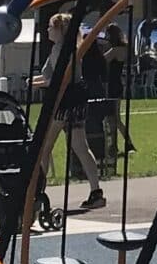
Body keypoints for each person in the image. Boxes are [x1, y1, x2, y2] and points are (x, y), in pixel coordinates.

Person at [31, 14, 105, 210]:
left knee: (45, 147)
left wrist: (41, 84)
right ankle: (96, 191)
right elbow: (49, 75)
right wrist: (36, 82)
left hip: (65, 102)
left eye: (50, 27)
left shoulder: (65, 51)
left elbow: (61, 79)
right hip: (74, 100)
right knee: (80, 146)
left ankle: (38, 191)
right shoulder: (61, 49)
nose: (47, 30)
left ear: (60, 30)